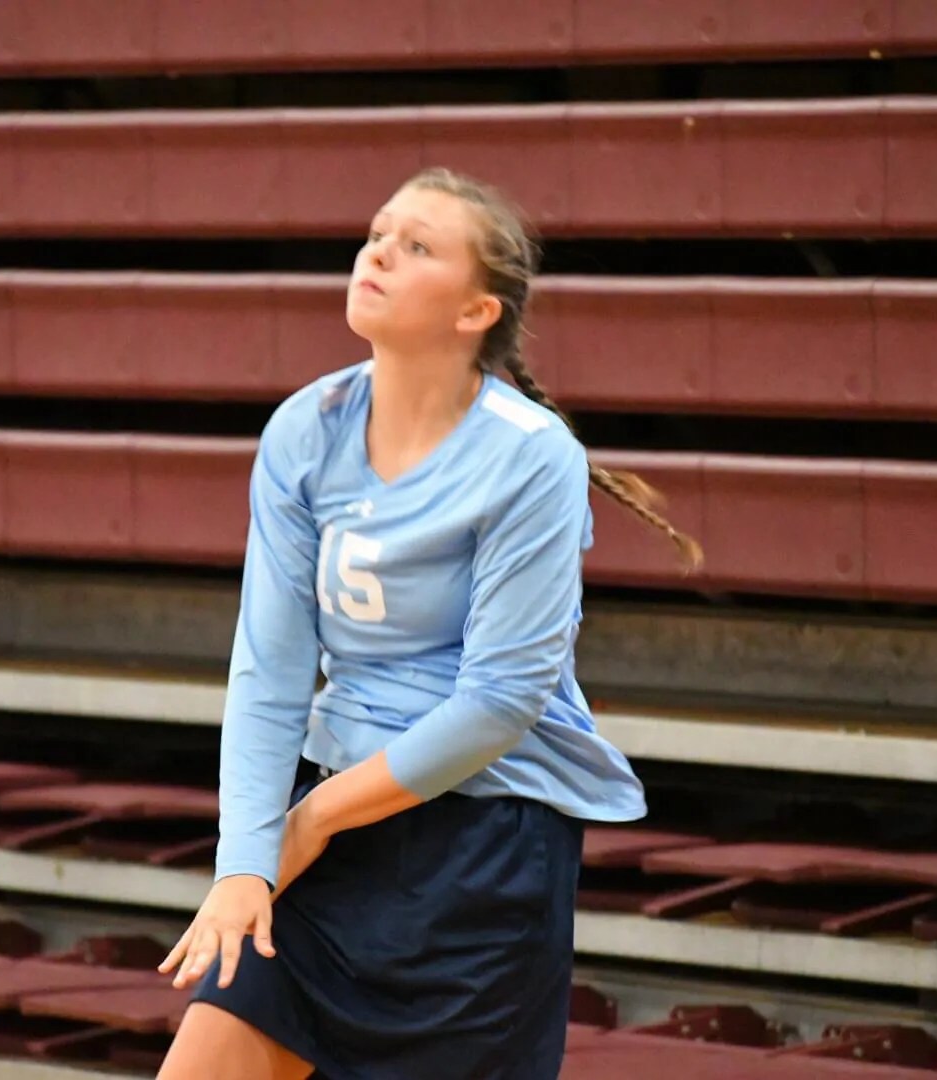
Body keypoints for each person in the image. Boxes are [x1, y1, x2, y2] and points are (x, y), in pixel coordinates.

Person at [156, 167, 701, 1080]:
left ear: (475, 313)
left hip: (485, 842)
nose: (379, 253)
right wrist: (245, 863)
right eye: (378, 232)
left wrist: (313, 820)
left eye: (418, 247)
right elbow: (270, 668)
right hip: (333, 819)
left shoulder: (530, 457)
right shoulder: (305, 429)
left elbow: (501, 700)